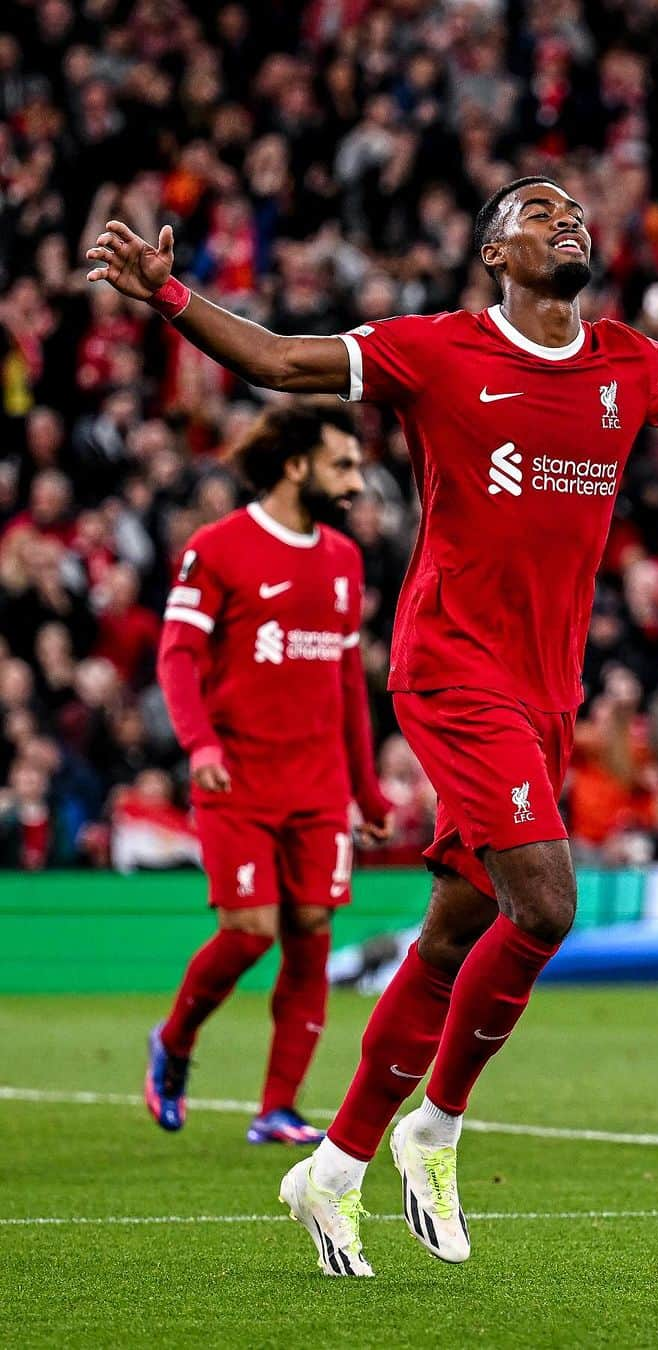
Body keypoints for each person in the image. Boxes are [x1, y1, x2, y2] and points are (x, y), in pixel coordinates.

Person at [87, 178, 658, 1277]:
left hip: (547, 691)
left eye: (573, 211)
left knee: (459, 928)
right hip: (453, 669)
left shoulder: (627, 363)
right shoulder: (441, 350)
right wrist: (170, 296)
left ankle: (332, 1168)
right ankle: (437, 1128)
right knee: (547, 902)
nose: (565, 221)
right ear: (495, 256)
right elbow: (283, 361)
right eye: (535, 212)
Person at [145, 404, 391, 1146]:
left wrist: (367, 789)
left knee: (312, 931)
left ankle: (277, 1108)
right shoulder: (218, 548)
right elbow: (177, 655)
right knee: (250, 933)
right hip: (237, 779)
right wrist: (201, 746)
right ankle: (176, 1040)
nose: (355, 481)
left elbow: (348, 680)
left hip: (318, 784)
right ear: (295, 466)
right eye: (341, 465)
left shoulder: (345, 561)